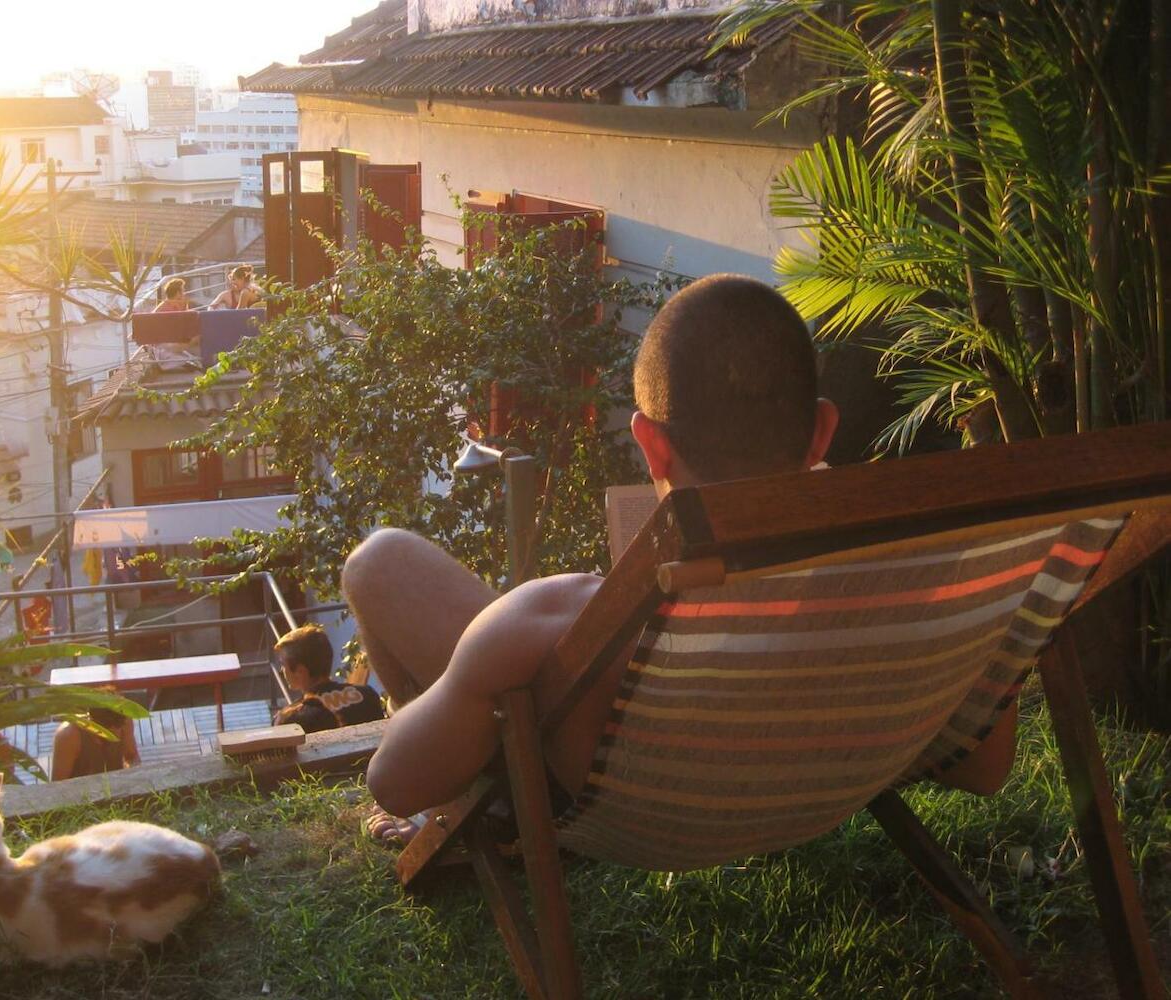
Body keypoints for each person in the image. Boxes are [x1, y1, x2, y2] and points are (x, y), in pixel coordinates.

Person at [343, 273, 1019, 840]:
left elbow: (396, 782)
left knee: (379, 560)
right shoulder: (928, 592)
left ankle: (468, 812)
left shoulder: (547, 620)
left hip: (619, 805)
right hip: (824, 782)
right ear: (820, 432)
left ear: (650, 445)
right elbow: (983, 770)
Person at [273, 624, 386, 734]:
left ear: (300, 671)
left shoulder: (291, 721)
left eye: (283, 664)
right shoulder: (368, 695)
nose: (281, 670)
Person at [50, 701, 140, 781]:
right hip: (81, 793)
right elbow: (58, 783)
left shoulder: (124, 721)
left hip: (114, 786)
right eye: (108, 731)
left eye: (117, 726)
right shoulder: (68, 735)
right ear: (92, 721)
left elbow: (132, 757)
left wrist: (133, 776)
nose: (115, 734)